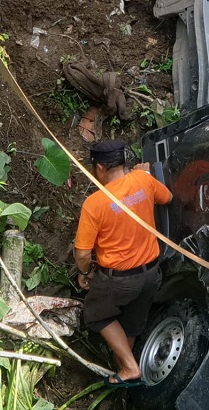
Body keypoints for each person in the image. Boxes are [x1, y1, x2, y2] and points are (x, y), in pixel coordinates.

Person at [74, 140, 172, 388]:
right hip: (151, 274)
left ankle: (129, 367)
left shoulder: (95, 203)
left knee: (96, 314)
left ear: (99, 168)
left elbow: (83, 253)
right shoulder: (143, 180)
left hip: (119, 279)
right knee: (131, 321)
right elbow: (168, 198)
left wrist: (85, 272)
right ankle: (121, 365)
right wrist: (145, 177)